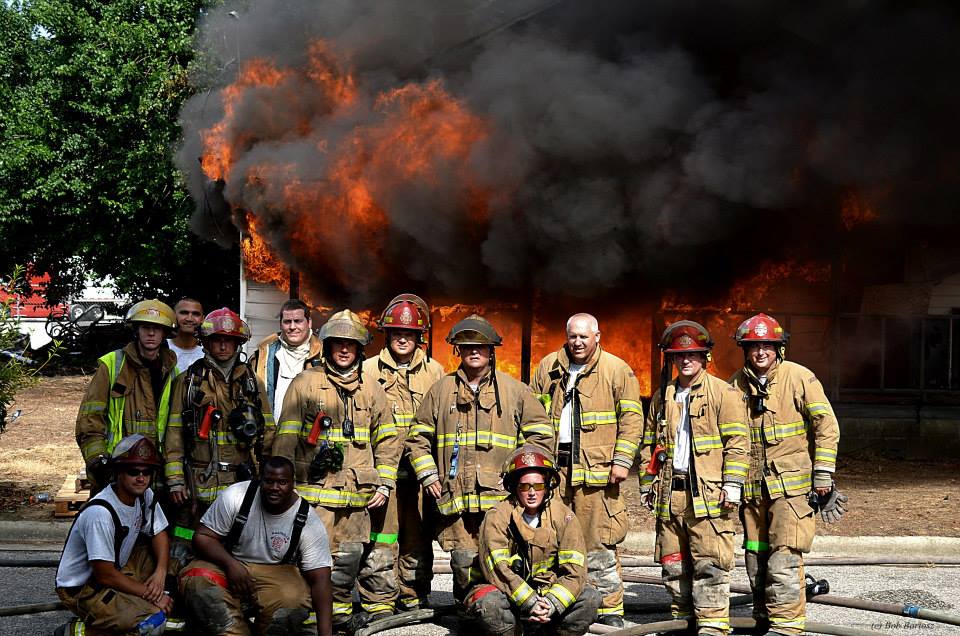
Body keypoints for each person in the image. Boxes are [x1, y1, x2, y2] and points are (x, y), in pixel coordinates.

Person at [405, 314, 554, 613]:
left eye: (481, 346)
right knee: (463, 563)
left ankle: (504, 617)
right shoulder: (441, 390)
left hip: (500, 503)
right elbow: (417, 438)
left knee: (502, 560)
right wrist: (429, 474)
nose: (474, 351)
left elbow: (541, 436)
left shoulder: (515, 391)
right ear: (458, 351)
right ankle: (469, 617)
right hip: (456, 500)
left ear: (491, 351)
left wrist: (519, 477)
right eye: (467, 346)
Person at [273, 309, 401, 633]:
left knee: (348, 556)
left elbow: (387, 439)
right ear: (327, 346)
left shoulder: (372, 388)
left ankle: (338, 614)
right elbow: (285, 438)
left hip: (357, 498)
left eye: (351, 344)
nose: (344, 350)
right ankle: (313, 616)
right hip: (314, 497)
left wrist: (384, 483)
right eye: (338, 343)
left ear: (360, 349)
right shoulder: (305, 383)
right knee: (314, 558)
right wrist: (280, 489)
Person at [729, 314, 845, 636]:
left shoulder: (799, 378)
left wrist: (823, 475)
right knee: (756, 559)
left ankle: (787, 628)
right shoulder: (735, 384)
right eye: (754, 346)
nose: (761, 352)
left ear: (778, 348)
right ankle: (761, 617)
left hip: (791, 493)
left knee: (784, 560)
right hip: (752, 492)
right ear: (745, 350)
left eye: (768, 345)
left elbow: (826, 426)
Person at [530, 313, 643, 626]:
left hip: (598, 472)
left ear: (598, 336)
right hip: (555, 470)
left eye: (584, 336)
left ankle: (609, 610)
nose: (577, 342)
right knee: (553, 538)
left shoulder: (617, 370)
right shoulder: (549, 367)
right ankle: (557, 603)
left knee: (597, 541)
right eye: (573, 336)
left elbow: (633, 420)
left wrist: (622, 459)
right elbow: (533, 415)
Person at [639, 321, 749, 636]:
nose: (685, 360)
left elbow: (738, 445)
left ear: (705, 357)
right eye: (679, 355)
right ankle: (682, 622)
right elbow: (651, 444)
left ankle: (712, 626)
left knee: (710, 564)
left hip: (709, 494)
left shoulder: (724, 394)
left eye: (692, 355)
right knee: (673, 564)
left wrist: (732, 485)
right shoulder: (663, 396)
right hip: (669, 494)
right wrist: (647, 485)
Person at [164, 308, 273, 569]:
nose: (223, 345)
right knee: (185, 544)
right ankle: (178, 594)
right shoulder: (188, 381)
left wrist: (268, 478)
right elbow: (174, 434)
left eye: (229, 339)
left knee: (237, 546)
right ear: (206, 343)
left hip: (240, 483)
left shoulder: (252, 383)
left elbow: (268, 432)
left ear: (238, 343)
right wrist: (175, 480)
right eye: (217, 339)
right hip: (196, 485)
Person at [179, 456, 333, 636]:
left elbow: (321, 579)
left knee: (294, 599)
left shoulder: (306, 518)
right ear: (260, 480)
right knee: (196, 579)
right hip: (227, 562)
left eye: (282, 482)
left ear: (293, 484)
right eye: (269, 481)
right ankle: (234, 632)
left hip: (275, 573)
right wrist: (231, 565)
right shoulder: (236, 495)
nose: (275, 488)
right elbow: (203, 537)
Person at [362, 294, 445, 612]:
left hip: (421, 475)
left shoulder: (435, 372)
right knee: (381, 538)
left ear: (418, 336)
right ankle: (379, 599)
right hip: (382, 474)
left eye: (408, 333)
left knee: (416, 538)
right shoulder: (368, 369)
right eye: (397, 332)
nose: (402, 338)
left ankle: (412, 595)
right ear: (387, 334)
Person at [470, 446, 600, 636]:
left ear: (547, 487)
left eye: (538, 486)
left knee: (590, 599)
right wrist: (530, 602)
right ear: (515, 487)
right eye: (525, 486)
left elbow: (575, 571)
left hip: (548, 595)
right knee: (490, 603)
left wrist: (552, 603)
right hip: (508, 593)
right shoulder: (497, 517)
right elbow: (498, 569)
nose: (532, 492)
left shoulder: (564, 517)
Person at [54, 435, 172, 636]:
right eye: (133, 472)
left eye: (147, 472)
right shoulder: (100, 514)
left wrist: (160, 573)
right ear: (118, 472)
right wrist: (150, 595)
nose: (141, 478)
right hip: (85, 587)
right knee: (151, 623)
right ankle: (81, 631)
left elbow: (158, 532)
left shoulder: (144, 496)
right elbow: (105, 574)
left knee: (177, 563)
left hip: (117, 566)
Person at [77, 299, 179, 493]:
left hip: (156, 474)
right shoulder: (112, 366)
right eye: (145, 327)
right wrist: (100, 462)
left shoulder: (174, 373)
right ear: (136, 330)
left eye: (157, 328)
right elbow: (90, 420)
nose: (151, 333)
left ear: (165, 333)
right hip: (116, 471)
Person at [249, 299, 323, 424]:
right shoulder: (262, 356)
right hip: (271, 437)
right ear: (280, 324)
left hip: (309, 439)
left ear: (309, 323)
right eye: (287, 322)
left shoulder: (323, 356)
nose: (292, 327)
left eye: (298, 321)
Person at [167, 298, 205, 371]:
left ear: (202, 319)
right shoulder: (161, 347)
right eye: (184, 313)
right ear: (173, 315)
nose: (189, 319)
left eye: (195, 314)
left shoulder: (207, 352)